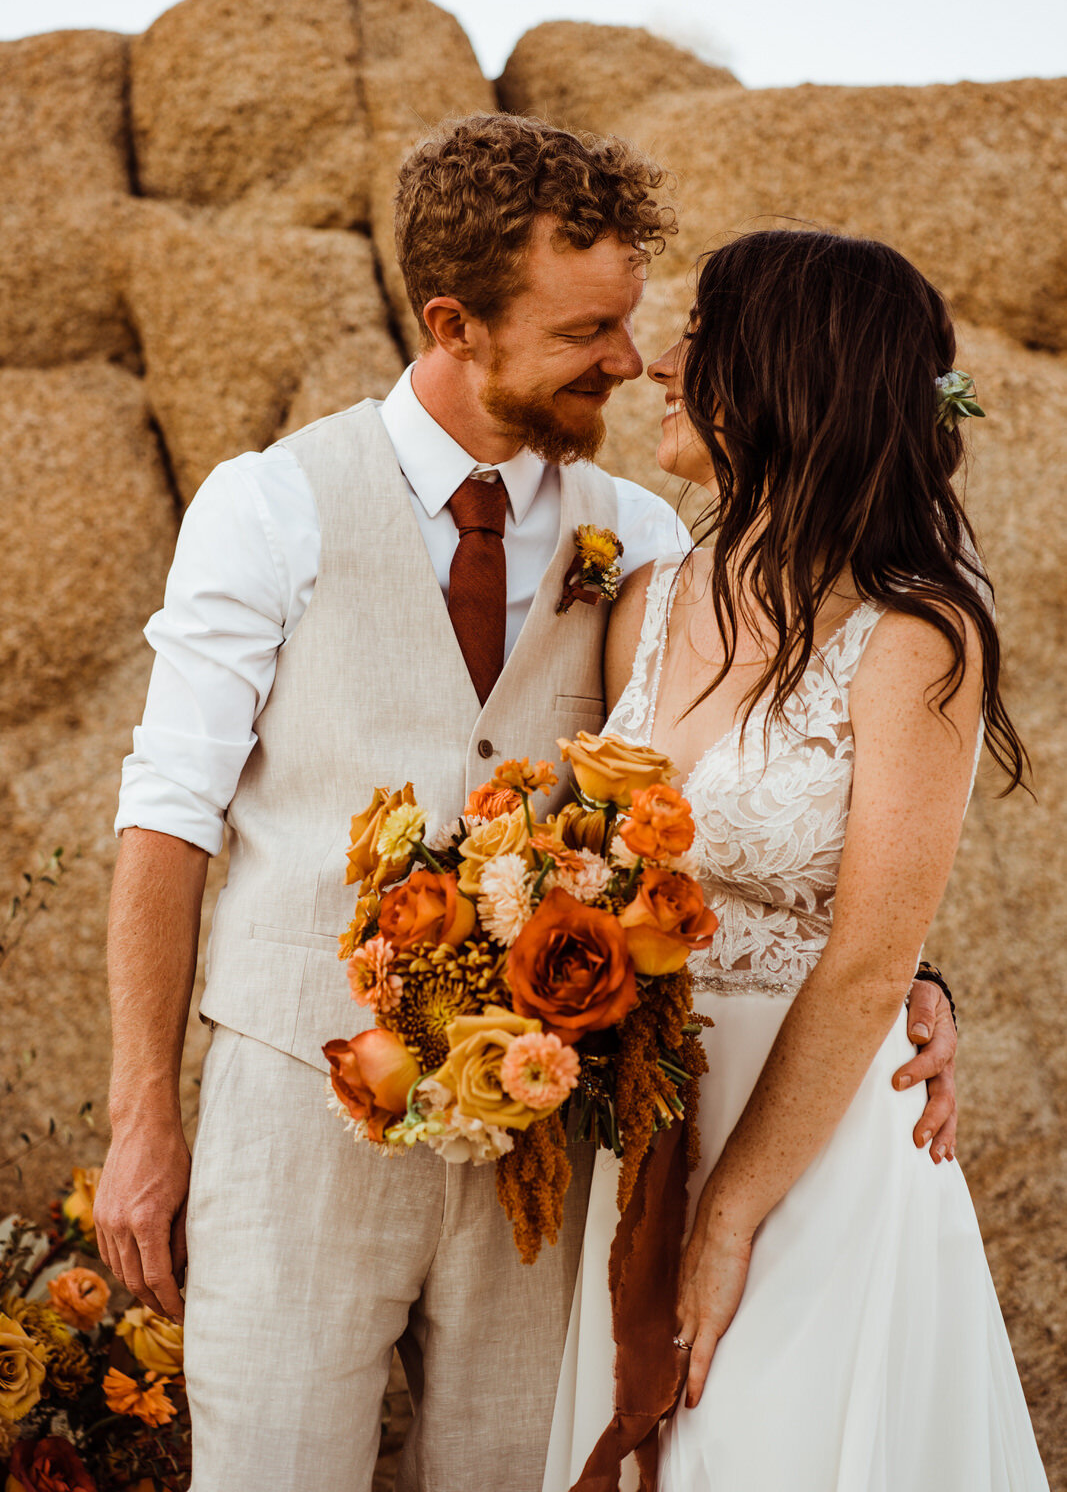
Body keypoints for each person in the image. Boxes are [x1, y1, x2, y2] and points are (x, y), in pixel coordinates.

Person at [92, 118, 957, 1492]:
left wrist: (904, 972)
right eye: (585, 332)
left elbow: (749, 779)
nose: (626, 360)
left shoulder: (653, 541)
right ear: (455, 323)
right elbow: (168, 817)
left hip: (550, 1150)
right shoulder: (270, 507)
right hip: (296, 1102)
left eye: (629, 323)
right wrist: (145, 1118)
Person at [543, 230, 1047, 1491]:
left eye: (697, 339)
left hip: (811, 1150)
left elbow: (872, 952)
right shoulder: (645, 600)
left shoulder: (914, 639)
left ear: (780, 373)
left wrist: (730, 1213)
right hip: (648, 1126)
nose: (659, 364)